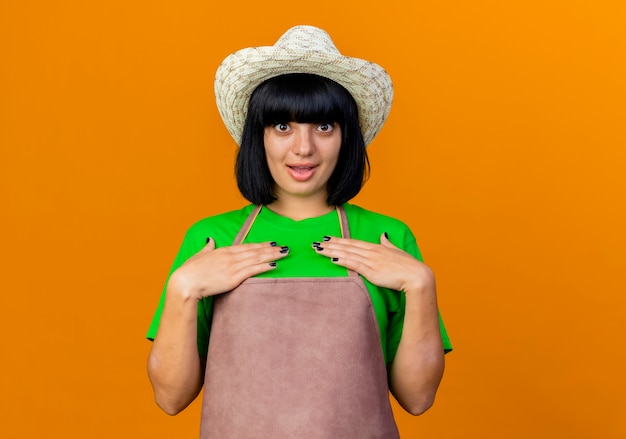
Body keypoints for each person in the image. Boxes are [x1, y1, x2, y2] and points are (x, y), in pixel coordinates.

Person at [146, 25, 452, 438]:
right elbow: (170, 398)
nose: (304, 148)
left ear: (347, 137)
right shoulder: (211, 238)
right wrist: (183, 288)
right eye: (283, 127)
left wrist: (420, 284)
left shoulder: (386, 236)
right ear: (260, 136)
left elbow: (418, 399)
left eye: (324, 126)